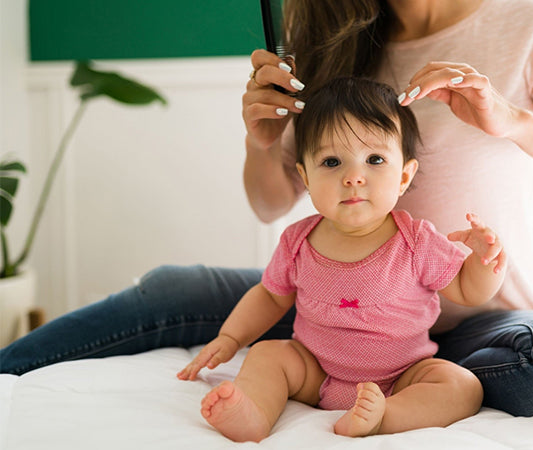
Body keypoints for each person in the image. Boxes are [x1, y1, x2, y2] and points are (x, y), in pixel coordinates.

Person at [1, 0, 533, 417]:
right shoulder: (328, 35)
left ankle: (410, 387)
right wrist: (262, 143)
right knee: (175, 289)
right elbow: (269, 202)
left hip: (474, 317)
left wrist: (510, 119)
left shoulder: (526, 28)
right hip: (336, 307)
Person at [177, 77, 507, 441]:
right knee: (269, 355)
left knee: (460, 385)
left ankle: (385, 415)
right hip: (315, 371)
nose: (353, 177)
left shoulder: (415, 240)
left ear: (403, 176)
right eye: (332, 161)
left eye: (374, 159)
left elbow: (466, 288)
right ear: (305, 176)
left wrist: (486, 262)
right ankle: (253, 412)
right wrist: (230, 336)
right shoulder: (298, 240)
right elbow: (271, 296)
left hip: (402, 375)